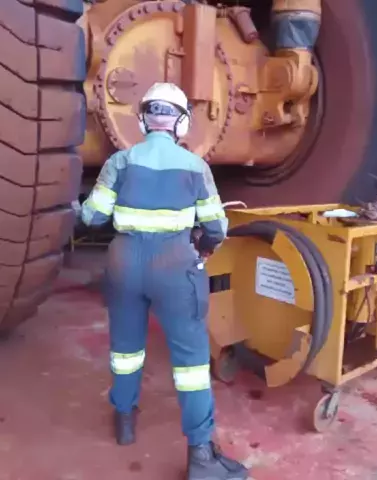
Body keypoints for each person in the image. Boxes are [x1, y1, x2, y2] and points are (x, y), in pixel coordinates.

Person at [79, 82, 248, 480]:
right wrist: (202, 247)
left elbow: (92, 217)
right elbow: (216, 227)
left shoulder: (120, 162)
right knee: (191, 362)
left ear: (143, 120)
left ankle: (124, 419)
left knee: (125, 349)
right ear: (181, 122)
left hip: (124, 262)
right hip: (175, 264)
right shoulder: (195, 167)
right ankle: (201, 456)